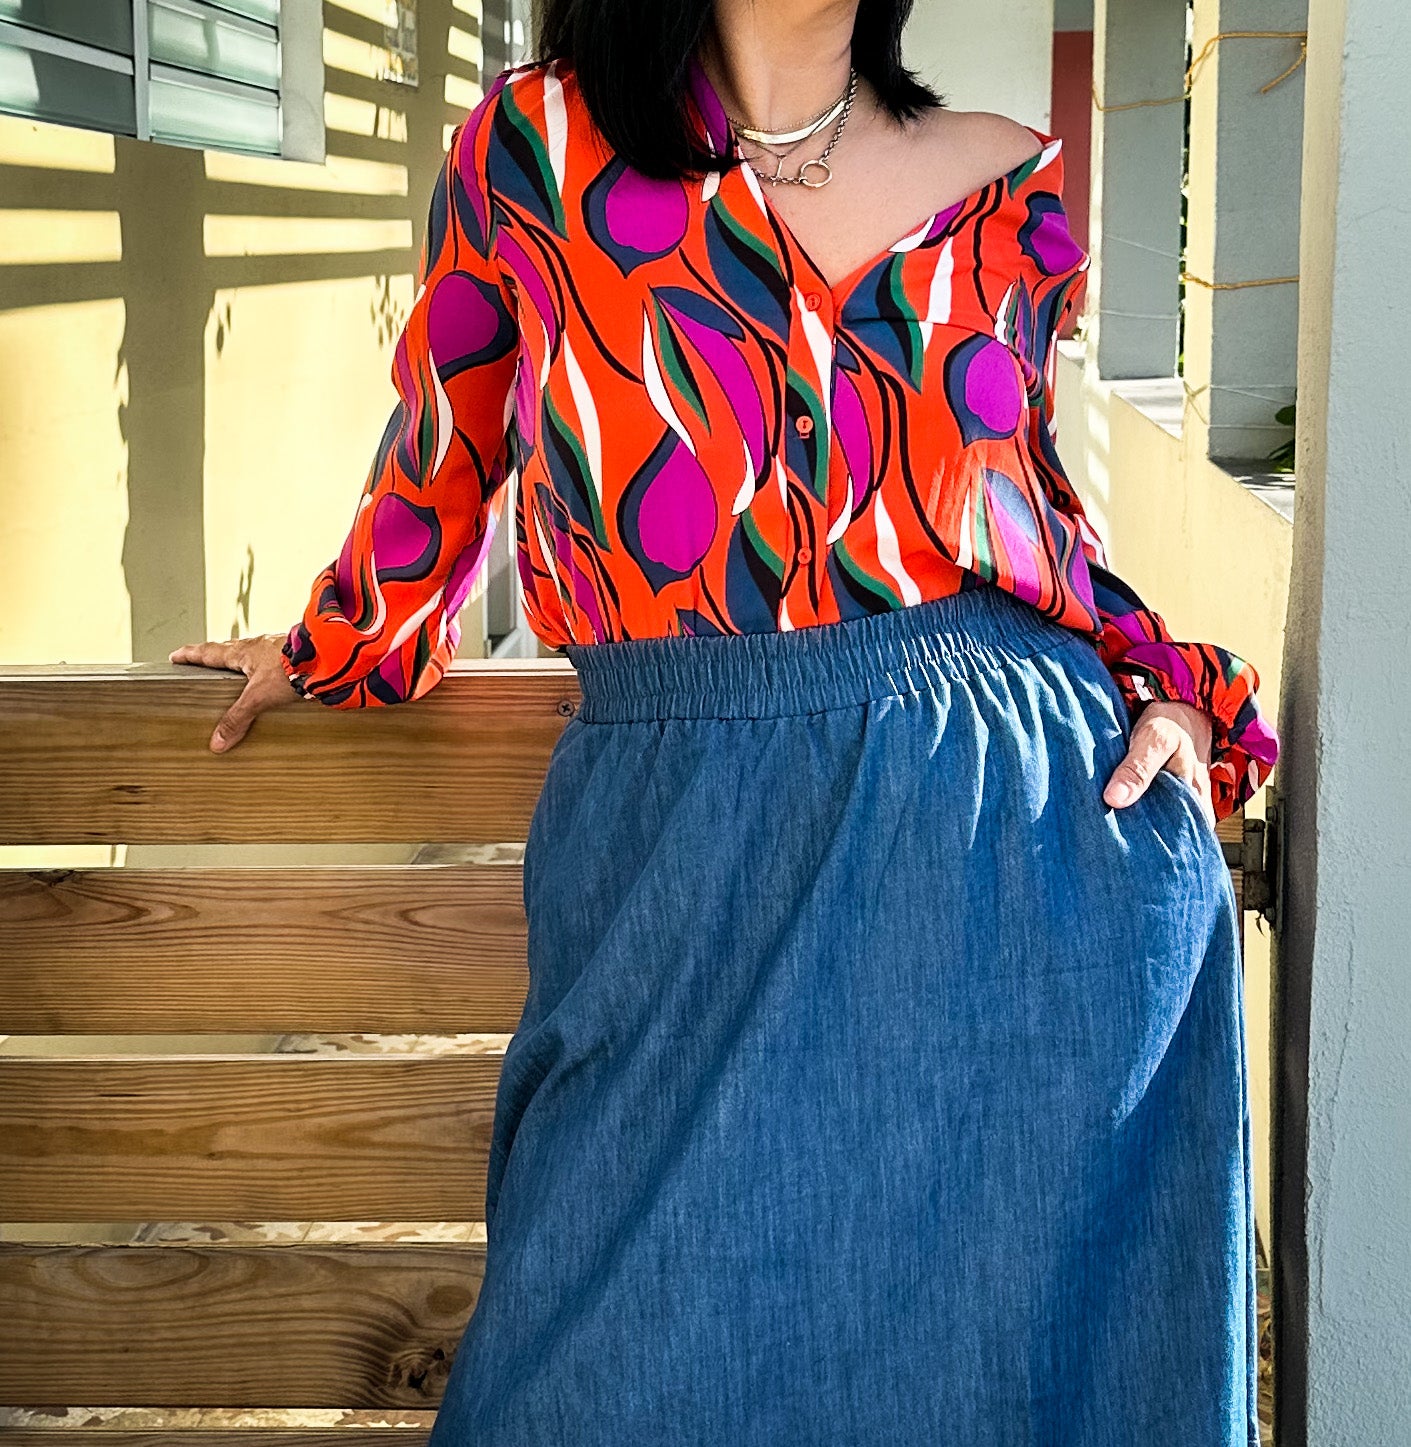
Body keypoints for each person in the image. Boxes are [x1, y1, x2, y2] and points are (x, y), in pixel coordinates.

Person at [170, 1, 1280, 1441]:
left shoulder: (1006, 179)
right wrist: (335, 642)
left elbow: (1028, 520)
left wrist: (1171, 691)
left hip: (1022, 878)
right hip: (678, 861)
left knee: (1018, 1383)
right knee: (589, 1377)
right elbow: (444, 452)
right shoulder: (533, 146)